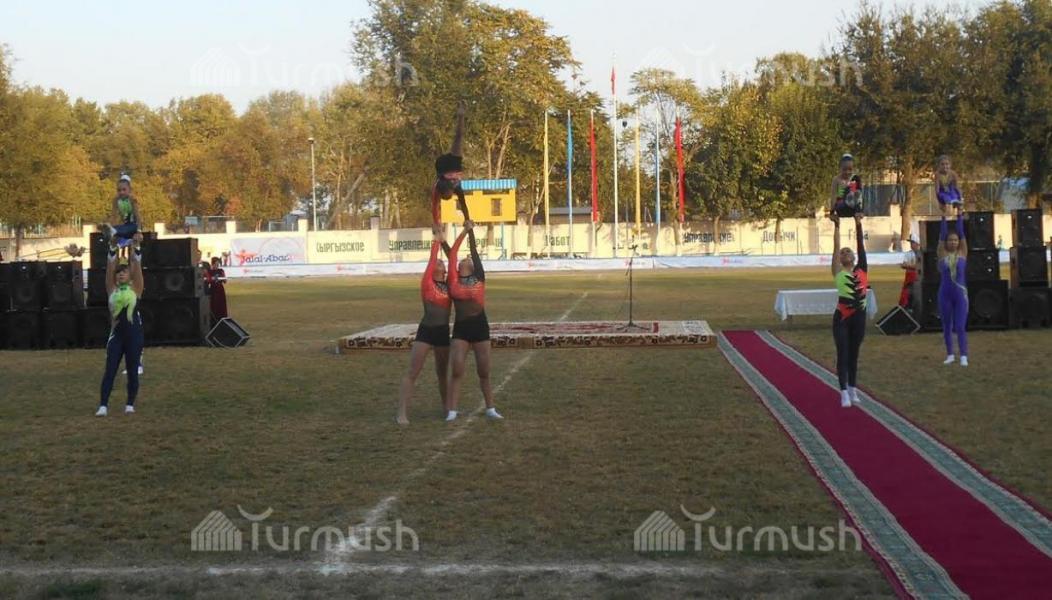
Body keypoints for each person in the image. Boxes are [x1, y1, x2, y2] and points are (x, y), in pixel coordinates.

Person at [445, 220, 502, 422]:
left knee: (484, 371)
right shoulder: (453, 279)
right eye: (464, 259)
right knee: (457, 369)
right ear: (459, 266)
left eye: (468, 258)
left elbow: (474, 251)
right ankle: (452, 410)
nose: (466, 258)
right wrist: (464, 231)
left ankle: (490, 408)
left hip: (479, 326)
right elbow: (452, 253)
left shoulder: (479, 275)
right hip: (461, 328)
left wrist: (471, 233)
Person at [397, 231, 454, 425]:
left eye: (441, 263)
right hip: (426, 331)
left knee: (442, 374)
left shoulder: (450, 285)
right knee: (413, 371)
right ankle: (402, 413)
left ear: (445, 270)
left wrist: (445, 241)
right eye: (437, 262)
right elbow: (432, 258)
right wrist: (436, 241)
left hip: (442, 332)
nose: (439, 262)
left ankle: (446, 408)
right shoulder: (427, 281)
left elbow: (453, 258)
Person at [96, 233, 145, 416]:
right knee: (110, 370)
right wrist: (112, 247)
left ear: (129, 275)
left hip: (134, 336)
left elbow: (137, 267)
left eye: (124, 272)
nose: (121, 274)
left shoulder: (136, 289)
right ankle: (103, 405)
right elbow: (110, 270)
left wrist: (136, 246)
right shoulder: (112, 290)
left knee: (132, 371)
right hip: (116, 336)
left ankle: (130, 404)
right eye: (119, 273)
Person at [831, 212, 869, 408]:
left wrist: (858, 223)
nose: (845, 253)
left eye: (848, 251)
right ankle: (843, 391)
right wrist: (837, 226)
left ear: (854, 257)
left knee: (854, 354)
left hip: (859, 318)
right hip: (842, 319)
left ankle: (853, 388)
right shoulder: (838, 271)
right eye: (843, 252)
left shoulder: (862, 269)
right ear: (839, 258)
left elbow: (861, 246)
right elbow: (836, 246)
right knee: (843, 353)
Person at [938, 205, 969, 366]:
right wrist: (943, 216)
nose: (953, 242)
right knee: (947, 325)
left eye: (955, 240)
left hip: (960, 294)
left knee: (960, 325)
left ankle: (963, 355)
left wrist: (959, 215)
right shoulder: (942, 253)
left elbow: (962, 233)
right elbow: (942, 234)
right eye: (950, 240)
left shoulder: (963, 252)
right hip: (945, 294)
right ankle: (950, 354)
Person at [432, 101, 470, 226]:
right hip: (454, 164)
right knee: (459, 137)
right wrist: (467, 219)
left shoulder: (438, 188)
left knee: (437, 143)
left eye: (448, 193)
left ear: (445, 191)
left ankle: (438, 119)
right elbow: (463, 204)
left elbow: (435, 206)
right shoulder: (457, 188)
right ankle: (461, 115)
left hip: (442, 165)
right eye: (451, 193)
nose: (452, 192)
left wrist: (437, 223)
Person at [102, 174, 141, 252]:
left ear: (129, 189)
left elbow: (138, 216)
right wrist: (111, 225)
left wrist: (139, 231)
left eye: (124, 190)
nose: (121, 192)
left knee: (125, 228)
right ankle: (120, 241)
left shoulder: (132, 199)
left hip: (134, 226)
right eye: (119, 190)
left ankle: (121, 238)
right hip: (124, 227)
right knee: (117, 229)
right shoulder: (116, 200)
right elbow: (114, 215)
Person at [898, 233, 922, 310]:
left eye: (912, 242)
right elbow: (903, 265)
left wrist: (909, 266)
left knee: (916, 294)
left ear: (917, 243)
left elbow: (919, 266)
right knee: (906, 294)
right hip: (909, 278)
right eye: (911, 243)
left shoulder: (921, 254)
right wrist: (913, 266)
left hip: (916, 277)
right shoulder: (908, 253)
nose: (911, 244)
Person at [208, 256, 228, 325]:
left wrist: (222, 278)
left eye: (218, 264)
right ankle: (214, 319)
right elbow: (208, 280)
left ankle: (222, 318)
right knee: (214, 304)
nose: (217, 265)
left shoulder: (221, 270)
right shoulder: (209, 271)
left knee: (221, 304)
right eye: (216, 264)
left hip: (220, 289)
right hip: (213, 290)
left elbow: (225, 281)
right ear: (212, 264)